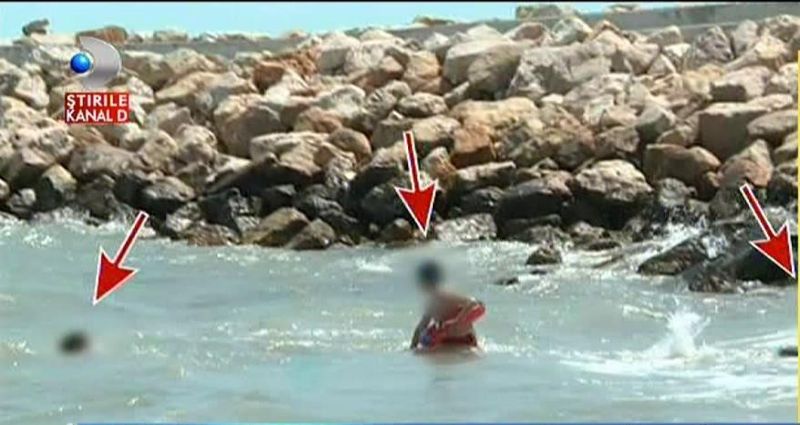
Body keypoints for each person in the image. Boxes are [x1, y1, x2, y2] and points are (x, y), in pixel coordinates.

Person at [409, 260, 485, 350]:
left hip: (465, 337)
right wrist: (413, 346)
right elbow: (421, 326)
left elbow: (473, 303)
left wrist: (457, 321)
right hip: (446, 340)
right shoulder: (431, 304)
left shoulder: (447, 296)